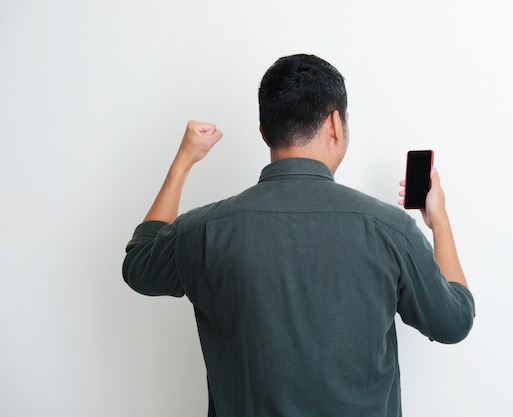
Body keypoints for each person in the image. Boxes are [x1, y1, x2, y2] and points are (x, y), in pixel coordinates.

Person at [123, 54, 475, 417]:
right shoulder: (390, 229)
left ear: (264, 132)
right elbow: (454, 321)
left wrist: (183, 161)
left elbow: (138, 265)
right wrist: (439, 222)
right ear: (335, 124)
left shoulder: (204, 231)